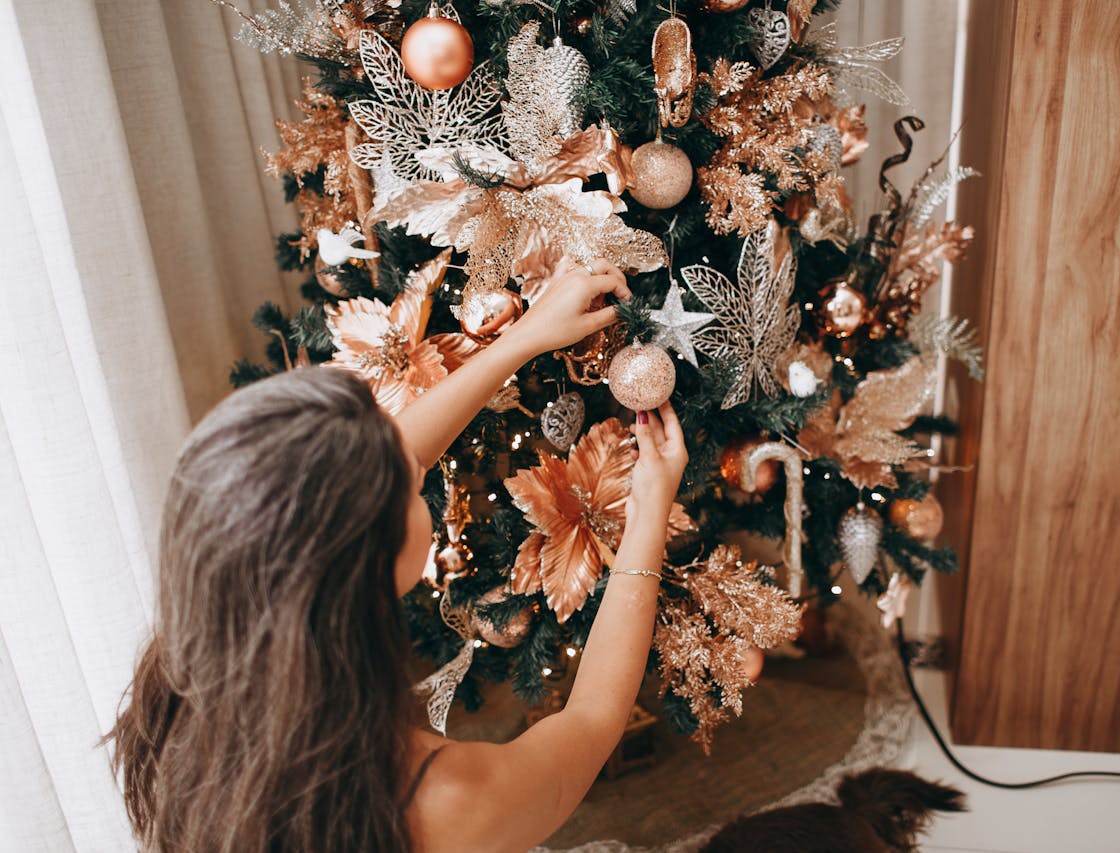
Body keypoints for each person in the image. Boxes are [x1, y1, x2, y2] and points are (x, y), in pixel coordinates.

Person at [107, 258, 689, 852]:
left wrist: (526, 336)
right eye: (405, 485)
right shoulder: (441, 801)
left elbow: (379, 463)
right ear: (371, 561)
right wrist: (647, 515)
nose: (413, 459)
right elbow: (588, 723)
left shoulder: (176, 697)